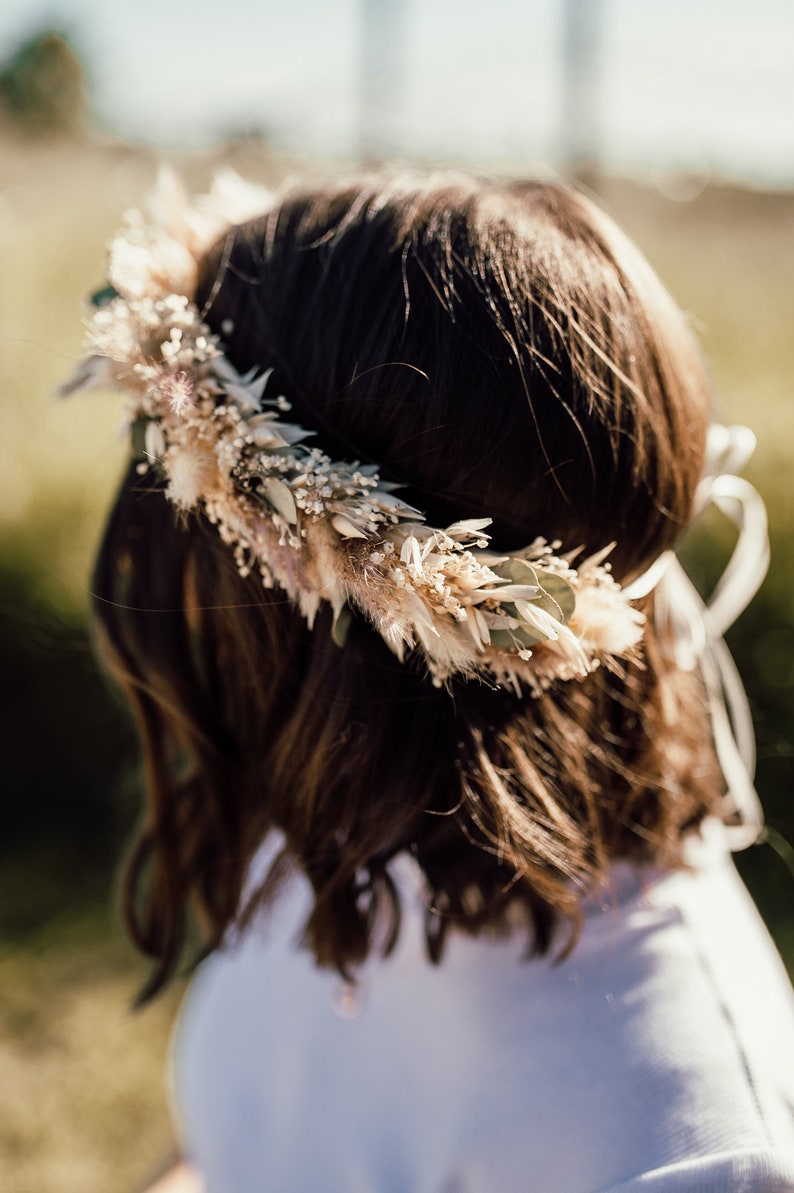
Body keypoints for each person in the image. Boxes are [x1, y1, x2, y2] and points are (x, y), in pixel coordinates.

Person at [67, 168, 794, 1192]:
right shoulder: (345, 814)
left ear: (296, 583)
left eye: (172, 503)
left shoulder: (683, 1150)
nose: (151, 553)